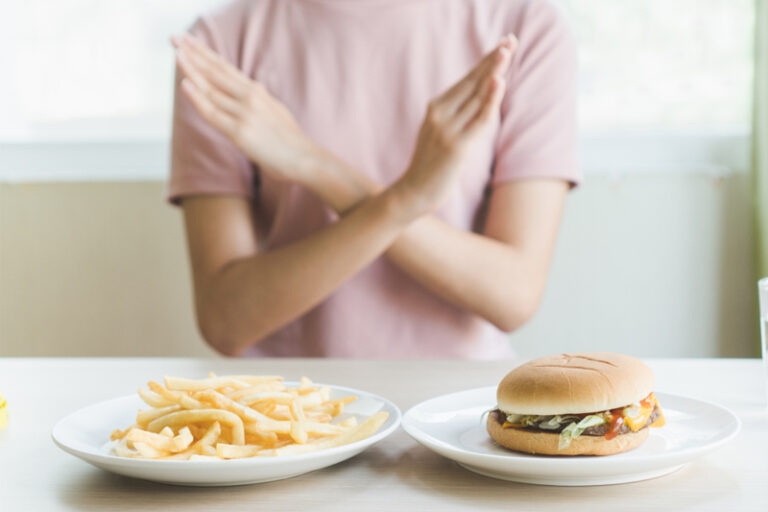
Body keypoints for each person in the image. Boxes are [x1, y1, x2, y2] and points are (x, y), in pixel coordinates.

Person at [168, 0, 579, 359]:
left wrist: (316, 166)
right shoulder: (218, 43)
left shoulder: (527, 26)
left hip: (457, 412)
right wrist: (404, 200)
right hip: (289, 415)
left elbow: (514, 294)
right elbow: (225, 321)